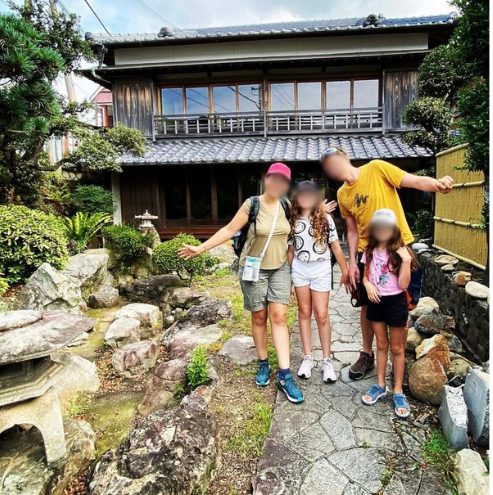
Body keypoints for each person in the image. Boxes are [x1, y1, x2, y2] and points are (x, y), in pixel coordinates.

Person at [319, 146, 454, 381]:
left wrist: (437, 184)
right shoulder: (342, 194)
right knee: (367, 304)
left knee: (402, 301)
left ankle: (397, 359)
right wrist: (352, 263)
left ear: (345, 157)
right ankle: (367, 354)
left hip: (398, 247)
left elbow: (413, 181)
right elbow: (352, 230)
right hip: (368, 253)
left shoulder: (376, 168)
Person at [178, 163, 305, 403]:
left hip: (279, 268)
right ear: (266, 179)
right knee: (259, 316)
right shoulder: (252, 204)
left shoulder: (287, 205)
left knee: (279, 317)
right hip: (253, 268)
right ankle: (264, 362)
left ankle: (285, 375)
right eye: (274, 178)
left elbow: (299, 226)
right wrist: (200, 248)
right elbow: (229, 229)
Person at [287, 180, 349, 383]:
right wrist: (290, 274)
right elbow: (290, 250)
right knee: (304, 312)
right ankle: (308, 357)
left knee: (321, 314)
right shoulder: (292, 219)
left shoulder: (325, 219)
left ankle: (326, 360)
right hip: (300, 268)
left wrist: (345, 271)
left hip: (321, 267)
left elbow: (336, 246)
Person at [360, 209, 417, 418]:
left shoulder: (401, 252)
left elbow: (403, 285)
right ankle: (380, 384)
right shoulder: (369, 250)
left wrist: (406, 261)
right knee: (381, 344)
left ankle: (398, 390)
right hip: (376, 302)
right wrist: (368, 286)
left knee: (397, 347)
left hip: (396, 302)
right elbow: (365, 276)